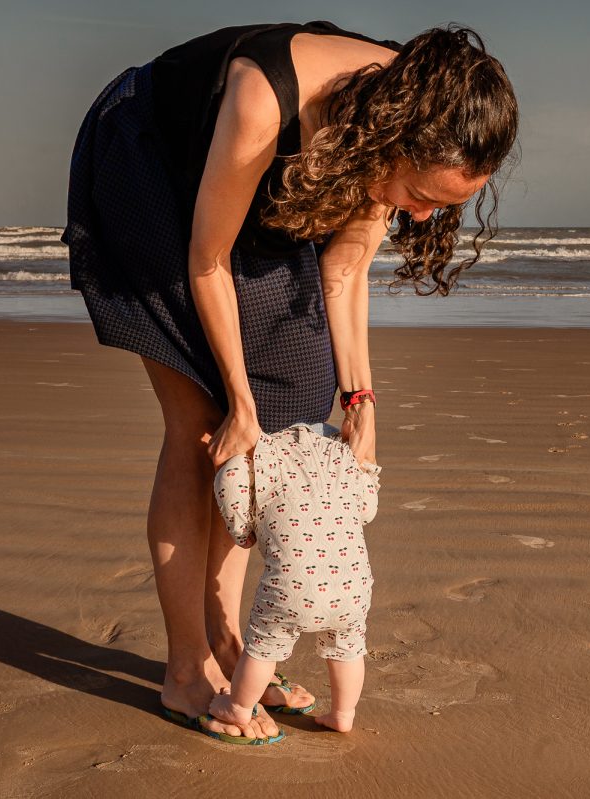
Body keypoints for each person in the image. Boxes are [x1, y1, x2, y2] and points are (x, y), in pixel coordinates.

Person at [60, 19, 518, 743]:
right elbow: (207, 260)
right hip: (149, 163)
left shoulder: (414, 105)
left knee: (283, 417)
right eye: (420, 193)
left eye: (444, 205)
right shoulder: (264, 99)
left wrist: (360, 398)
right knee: (205, 422)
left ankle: (228, 642)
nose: (424, 215)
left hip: (239, 187)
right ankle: (186, 668)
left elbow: (344, 269)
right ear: (393, 142)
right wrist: (239, 401)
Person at [209, 422, 383, 739]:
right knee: (348, 650)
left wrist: (242, 531)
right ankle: (343, 714)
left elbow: (230, 483)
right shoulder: (344, 455)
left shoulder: (264, 455)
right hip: (352, 586)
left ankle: (239, 708)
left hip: (290, 587)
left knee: (263, 649)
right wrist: (368, 470)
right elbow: (368, 509)